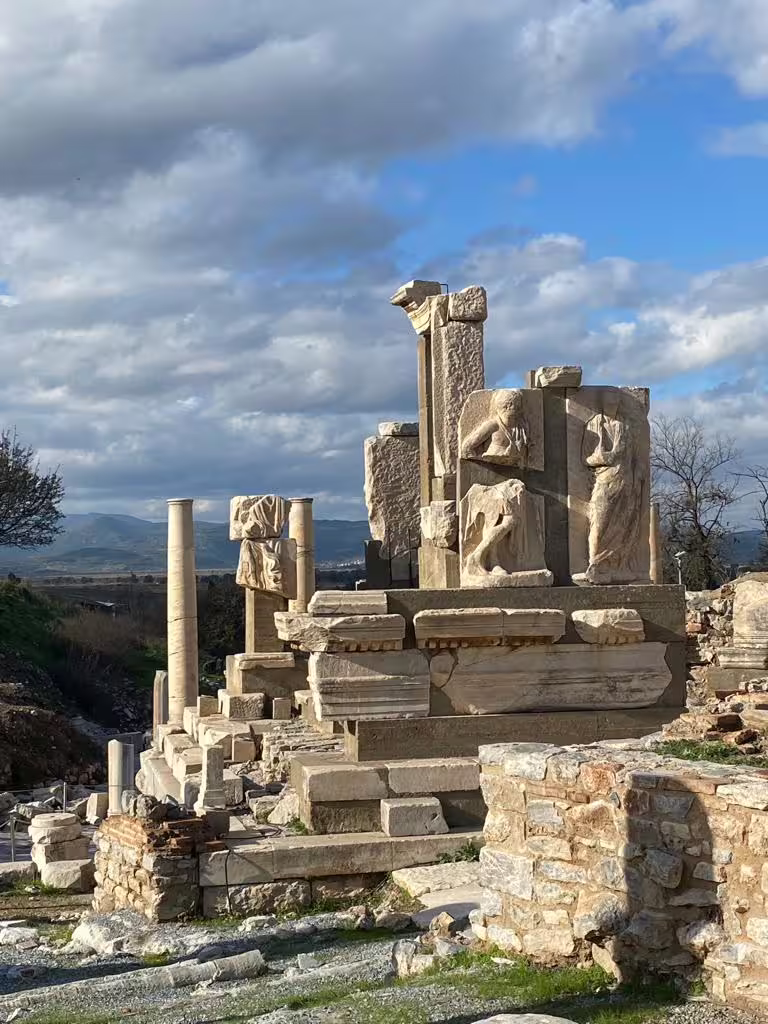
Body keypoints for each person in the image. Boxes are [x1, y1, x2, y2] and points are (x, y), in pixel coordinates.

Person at [461, 389, 529, 466]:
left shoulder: (521, 427)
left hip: (514, 467)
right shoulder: (493, 425)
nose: (519, 409)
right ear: (507, 406)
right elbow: (467, 448)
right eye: (517, 405)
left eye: (519, 406)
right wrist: (479, 464)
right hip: (490, 466)